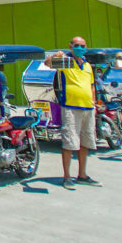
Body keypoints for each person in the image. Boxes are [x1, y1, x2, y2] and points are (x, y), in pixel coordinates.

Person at [49, 36, 102, 189]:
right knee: (69, 142)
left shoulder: (87, 65)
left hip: (88, 108)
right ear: (70, 46)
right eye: (77, 45)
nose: (80, 47)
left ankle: (82, 174)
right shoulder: (66, 61)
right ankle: (67, 177)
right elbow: (47, 64)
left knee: (85, 142)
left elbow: (91, 85)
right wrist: (54, 56)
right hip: (71, 107)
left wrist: (93, 101)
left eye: (83, 45)